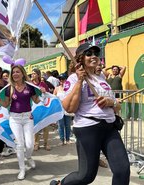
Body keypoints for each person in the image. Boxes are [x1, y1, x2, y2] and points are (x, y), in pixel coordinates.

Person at [50, 43, 130, 185]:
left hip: (110, 128)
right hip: (88, 128)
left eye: (95, 53)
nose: (94, 56)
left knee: (122, 170)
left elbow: (117, 106)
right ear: (80, 58)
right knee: (86, 176)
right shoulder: (74, 78)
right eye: (89, 53)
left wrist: (110, 102)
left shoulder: (102, 79)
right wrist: (80, 80)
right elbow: (69, 108)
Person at [0, 64, 44, 180]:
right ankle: (22, 169)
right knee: (20, 144)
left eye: (18, 72)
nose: (15, 74)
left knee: (30, 144)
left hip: (28, 118)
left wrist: (40, 93)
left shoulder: (30, 87)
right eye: (14, 72)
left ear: (22, 73)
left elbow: (36, 101)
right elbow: (6, 104)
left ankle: (28, 157)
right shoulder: (9, 88)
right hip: (14, 119)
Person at [31, 68, 51, 151]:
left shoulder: (43, 84)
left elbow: (48, 94)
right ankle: (36, 143)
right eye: (32, 74)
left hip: (43, 107)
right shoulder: (30, 84)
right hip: (34, 108)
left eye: (34, 74)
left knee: (45, 126)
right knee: (36, 126)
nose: (32, 75)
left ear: (38, 75)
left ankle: (46, 143)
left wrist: (44, 91)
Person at [53, 73, 72, 145]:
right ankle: (62, 140)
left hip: (67, 108)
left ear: (66, 79)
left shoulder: (69, 88)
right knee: (60, 125)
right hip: (60, 109)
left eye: (63, 79)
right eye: (60, 79)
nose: (61, 80)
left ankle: (67, 139)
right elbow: (53, 98)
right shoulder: (56, 88)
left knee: (67, 125)